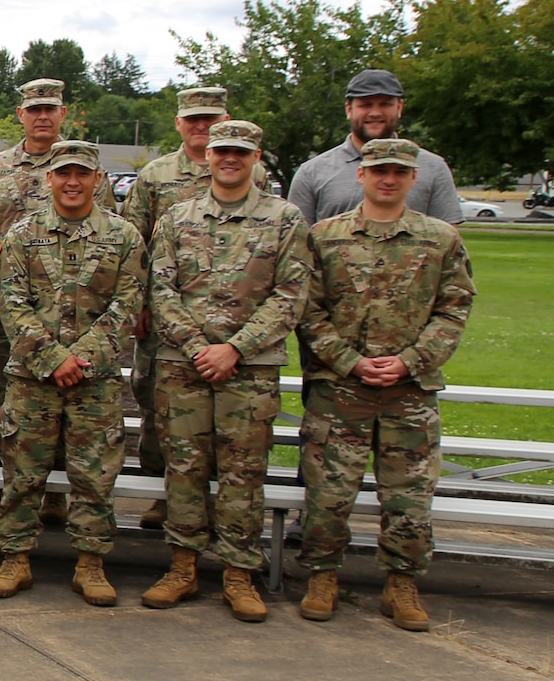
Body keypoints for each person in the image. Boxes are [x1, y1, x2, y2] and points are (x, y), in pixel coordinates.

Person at [296, 138, 475, 631]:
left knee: (410, 498)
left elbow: (454, 308)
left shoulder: (440, 240)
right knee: (329, 493)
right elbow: (307, 311)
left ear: (415, 178)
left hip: (409, 392)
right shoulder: (325, 237)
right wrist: (350, 361)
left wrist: (412, 361)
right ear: (362, 175)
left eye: (399, 171)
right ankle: (322, 576)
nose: (388, 179)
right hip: (340, 391)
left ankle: (402, 583)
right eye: (379, 170)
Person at [138, 122, 309, 623]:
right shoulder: (177, 217)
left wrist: (234, 348)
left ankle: (239, 572)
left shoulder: (284, 219)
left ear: (256, 156)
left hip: (249, 370)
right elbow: (160, 290)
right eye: (221, 151)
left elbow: (290, 294)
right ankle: (183, 567)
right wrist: (196, 346)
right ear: (207, 156)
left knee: (242, 474)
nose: (229, 159)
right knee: (185, 469)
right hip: (182, 365)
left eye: (240, 151)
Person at [0, 141, 143, 607]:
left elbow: (127, 304)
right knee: (22, 472)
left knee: (94, 474)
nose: (72, 181)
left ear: (98, 180)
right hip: (34, 378)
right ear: (49, 178)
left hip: (95, 380)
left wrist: (82, 357)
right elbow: (10, 303)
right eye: (63, 173)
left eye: (82, 173)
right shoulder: (22, 235)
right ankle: (15, 558)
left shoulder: (124, 236)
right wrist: (53, 359)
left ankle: (90, 562)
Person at [0, 79, 115, 525]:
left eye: (50, 108)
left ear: (62, 113)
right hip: (3, 309)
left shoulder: (84, 168)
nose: (42, 116)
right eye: (34, 109)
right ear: (21, 114)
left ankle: (54, 494)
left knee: (65, 400)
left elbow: (107, 231)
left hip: (72, 312)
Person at [122, 87, 270, 514]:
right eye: (193, 119)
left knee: (233, 420)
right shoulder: (155, 175)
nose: (202, 126)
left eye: (211, 118)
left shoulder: (250, 173)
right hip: (167, 316)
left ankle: (218, 501)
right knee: (158, 406)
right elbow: (135, 245)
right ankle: (161, 494)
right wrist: (142, 306)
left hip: (235, 321)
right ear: (179, 123)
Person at [289, 69, 462, 226]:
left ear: (399, 107)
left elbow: (448, 242)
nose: (375, 113)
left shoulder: (433, 167)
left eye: (385, 104)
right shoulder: (312, 172)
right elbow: (299, 243)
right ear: (349, 109)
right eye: (366, 105)